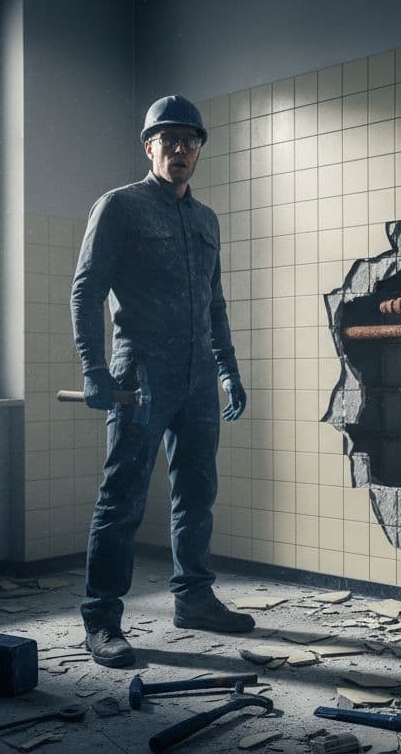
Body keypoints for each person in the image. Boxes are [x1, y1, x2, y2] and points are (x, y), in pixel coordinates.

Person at [70, 95, 252, 669]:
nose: (179, 150)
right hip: (141, 376)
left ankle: (193, 599)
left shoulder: (205, 220)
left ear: (200, 149)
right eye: (167, 140)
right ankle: (101, 619)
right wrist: (94, 371)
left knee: (197, 493)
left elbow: (214, 303)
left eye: (189, 141)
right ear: (149, 146)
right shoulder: (119, 207)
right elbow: (87, 290)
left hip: (198, 377)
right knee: (122, 499)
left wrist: (228, 368)